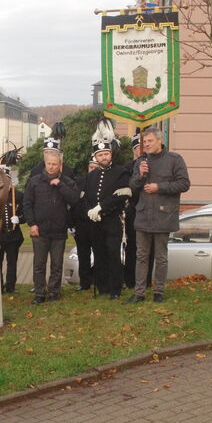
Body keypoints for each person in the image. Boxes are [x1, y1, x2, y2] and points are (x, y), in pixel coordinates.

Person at [128, 127, 190, 303]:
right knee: (141, 256)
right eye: (144, 142)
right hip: (143, 215)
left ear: (160, 141)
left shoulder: (174, 160)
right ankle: (139, 293)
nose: (146, 145)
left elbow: (184, 184)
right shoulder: (141, 161)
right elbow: (132, 186)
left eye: (149, 141)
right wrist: (140, 175)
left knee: (161, 257)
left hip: (164, 214)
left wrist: (159, 187)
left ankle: (159, 292)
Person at [24, 150, 80, 305]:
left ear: (60, 165)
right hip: (39, 230)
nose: (51, 167)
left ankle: (54, 292)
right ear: (45, 163)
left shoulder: (67, 181)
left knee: (56, 265)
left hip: (59, 231)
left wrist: (60, 185)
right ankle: (39, 293)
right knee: (39, 265)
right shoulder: (34, 181)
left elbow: (75, 200)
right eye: (49, 163)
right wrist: (32, 224)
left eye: (54, 164)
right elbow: (27, 204)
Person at [84, 121, 131, 300]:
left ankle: (115, 289)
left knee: (113, 254)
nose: (104, 157)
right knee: (99, 253)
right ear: (96, 157)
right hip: (95, 222)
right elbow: (86, 196)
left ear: (111, 154)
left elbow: (122, 195)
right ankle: (102, 286)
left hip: (112, 220)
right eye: (100, 154)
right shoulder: (91, 176)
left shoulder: (121, 172)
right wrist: (90, 210)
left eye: (106, 154)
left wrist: (101, 207)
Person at [69, 158, 97, 291]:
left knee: (100, 253)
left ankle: (100, 282)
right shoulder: (81, 181)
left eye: (95, 167)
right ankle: (84, 284)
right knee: (83, 254)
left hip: (98, 224)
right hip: (82, 224)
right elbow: (75, 202)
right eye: (91, 167)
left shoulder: (104, 181)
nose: (93, 170)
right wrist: (71, 223)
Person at [0, 164, 24, 294]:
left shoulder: (18, 195)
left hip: (13, 236)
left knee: (12, 262)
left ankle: (11, 286)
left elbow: (25, 213)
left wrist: (19, 218)